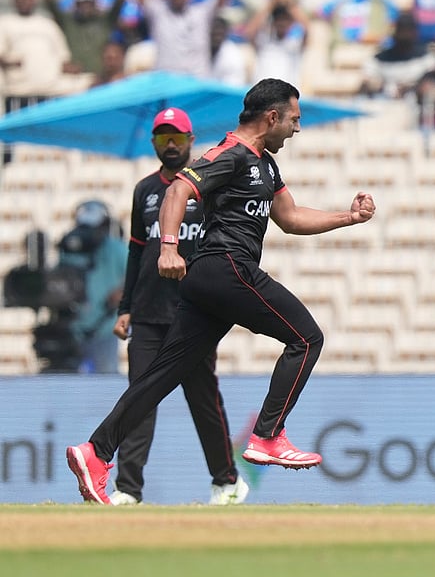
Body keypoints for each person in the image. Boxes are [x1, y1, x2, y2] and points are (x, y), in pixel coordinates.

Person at [65, 79, 378, 504]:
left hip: (212, 282)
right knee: (306, 338)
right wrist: (170, 246)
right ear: (272, 117)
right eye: (294, 120)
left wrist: (349, 216)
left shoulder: (266, 165)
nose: (297, 129)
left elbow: (289, 217)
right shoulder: (230, 153)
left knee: (162, 374)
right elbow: (178, 189)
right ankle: (268, 435)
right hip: (226, 268)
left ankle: (95, 451)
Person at [108, 108, 249, 506]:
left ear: (191, 141)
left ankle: (227, 481)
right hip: (149, 314)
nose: (170, 146)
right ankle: (128, 489)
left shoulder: (210, 187)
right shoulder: (144, 191)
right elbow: (138, 252)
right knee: (140, 399)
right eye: (162, 139)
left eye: (177, 138)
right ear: (154, 144)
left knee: (202, 401)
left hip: (195, 314)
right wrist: (126, 306)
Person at [59, 200, 126, 374]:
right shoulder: (69, 248)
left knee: (106, 379)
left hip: (104, 326)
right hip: (72, 327)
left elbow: (139, 273)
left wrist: (123, 292)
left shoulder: (116, 249)